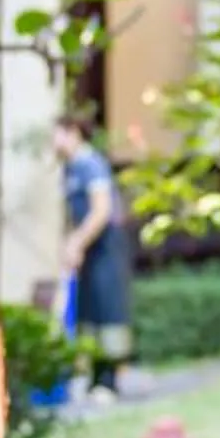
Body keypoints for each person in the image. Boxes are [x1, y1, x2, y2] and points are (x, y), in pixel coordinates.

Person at [52, 112, 134, 399]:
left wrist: (77, 242)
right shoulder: (69, 168)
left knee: (107, 310)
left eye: (57, 133)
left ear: (72, 132)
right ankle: (92, 379)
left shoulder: (91, 164)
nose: (53, 141)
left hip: (105, 247)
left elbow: (102, 211)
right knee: (87, 313)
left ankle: (109, 380)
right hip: (87, 249)